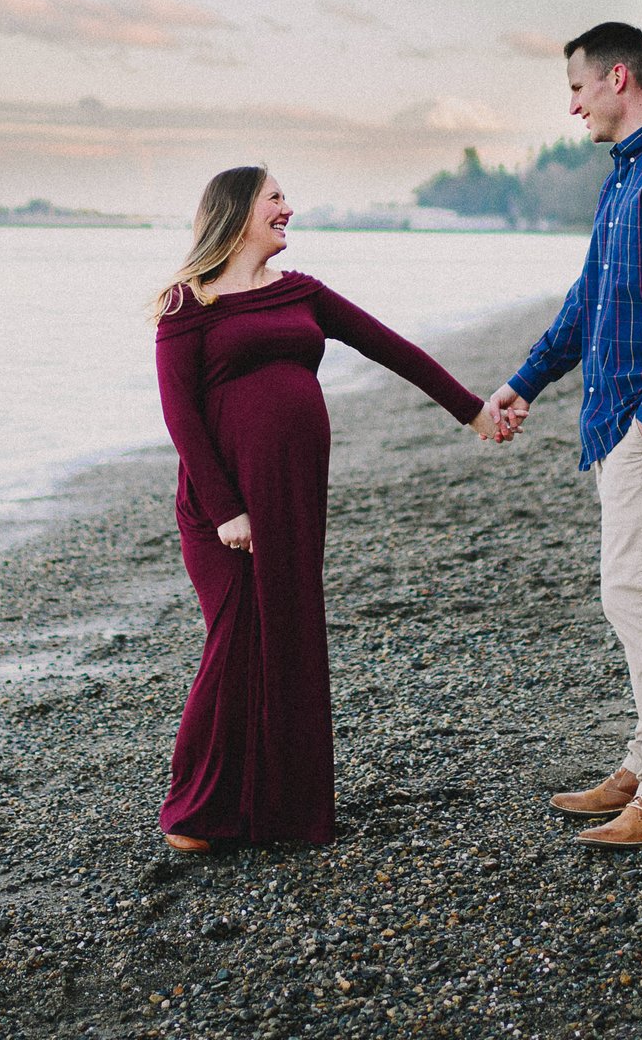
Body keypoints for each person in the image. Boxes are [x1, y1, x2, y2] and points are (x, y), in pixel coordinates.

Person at [152, 165, 497, 852]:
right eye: (275, 198)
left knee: (288, 635)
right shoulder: (186, 304)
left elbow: (390, 348)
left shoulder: (304, 294)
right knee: (235, 639)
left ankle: (280, 808)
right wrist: (226, 509)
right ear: (238, 211)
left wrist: (472, 410)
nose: (288, 209)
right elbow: (181, 416)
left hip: (293, 494)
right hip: (223, 506)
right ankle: (195, 810)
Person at [482, 22, 642, 849]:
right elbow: (588, 302)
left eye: (579, 88)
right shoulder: (624, 178)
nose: (573, 106)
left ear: (619, 78)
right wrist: (524, 382)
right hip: (617, 425)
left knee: (635, 594)